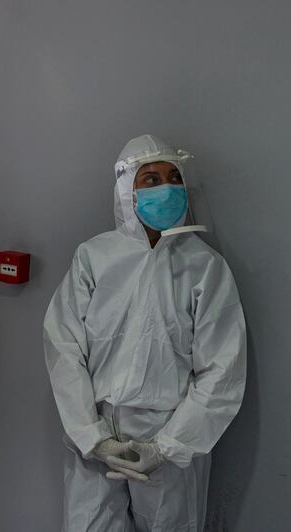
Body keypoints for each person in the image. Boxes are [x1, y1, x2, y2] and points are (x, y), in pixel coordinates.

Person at [43, 134, 247, 531]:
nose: (167, 188)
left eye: (174, 177)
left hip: (168, 439)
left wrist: (168, 446)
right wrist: (92, 435)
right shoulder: (94, 257)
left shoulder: (204, 267)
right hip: (96, 435)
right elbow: (63, 346)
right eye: (150, 180)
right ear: (125, 190)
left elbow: (222, 370)